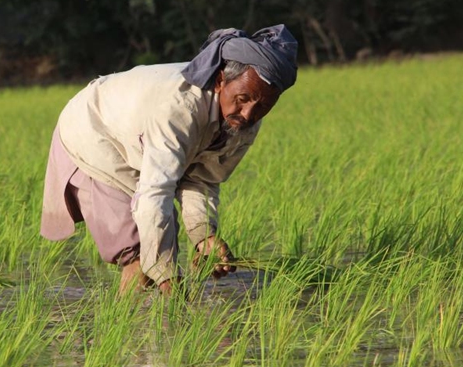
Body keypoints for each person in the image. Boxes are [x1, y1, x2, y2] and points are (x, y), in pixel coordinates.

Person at [40, 25, 298, 296]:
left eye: (263, 106)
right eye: (242, 99)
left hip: (134, 139)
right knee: (140, 256)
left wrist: (204, 237)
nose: (248, 113)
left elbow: (202, 178)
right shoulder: (179, 109)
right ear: (220, 81)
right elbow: (155, 193)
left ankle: (142, 326)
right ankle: (123, 328)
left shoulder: (244, 124)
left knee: (159, 245)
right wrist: (166, 275)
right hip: (94, 131)